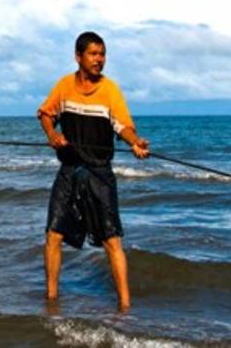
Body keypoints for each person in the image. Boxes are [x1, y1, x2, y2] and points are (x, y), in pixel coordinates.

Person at [37, 31, 149, 311]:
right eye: (94, 54)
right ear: (78, 56)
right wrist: (52, 135)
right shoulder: (64, 86)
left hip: (99, 172)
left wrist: (135, 142)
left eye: (102, 54)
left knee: (112, 240)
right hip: (69, 170)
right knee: (53, 235)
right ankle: (51, 300)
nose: (100, 60)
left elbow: (122, 126)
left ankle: (125, 307)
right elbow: (46, 114)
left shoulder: (110, 90)